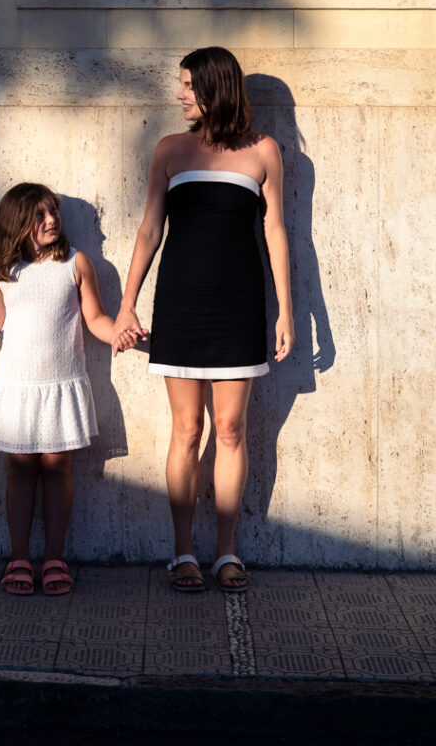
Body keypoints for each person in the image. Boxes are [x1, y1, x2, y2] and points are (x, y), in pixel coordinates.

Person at [112, 48, 294, 593]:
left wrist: (287, 311)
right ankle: (183, 552)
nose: (180, 94)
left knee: (232, 429)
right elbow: (149, 230)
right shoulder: (170, 149)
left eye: (189, 84)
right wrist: (127, 303)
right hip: (181, 304)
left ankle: (227, 552)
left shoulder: (264, 151)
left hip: (239, 305)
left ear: (216, 88)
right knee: (188, 430)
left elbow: (277, 232)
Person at [0, 182, 136, 595]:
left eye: (54, 211)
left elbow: (95, 319)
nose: (52, 219)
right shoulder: (2, 270)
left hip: (60, 385)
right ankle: (19, 557)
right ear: (17, 223)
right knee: (21, 468)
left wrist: (118, 333)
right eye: (40, 214)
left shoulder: (75, 263)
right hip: (19, 386)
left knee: (57, 468)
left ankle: (53, 558)